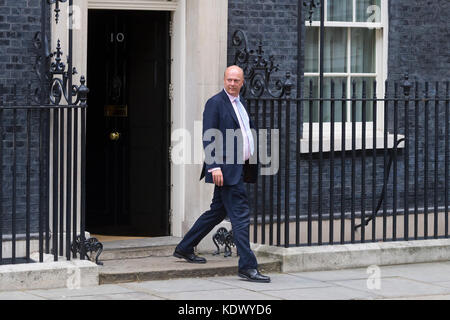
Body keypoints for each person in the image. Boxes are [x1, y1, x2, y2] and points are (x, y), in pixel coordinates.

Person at [173, 65, 271, 283]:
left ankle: (185, 247)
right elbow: (209, 136)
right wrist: (214, 166)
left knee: (217, 212)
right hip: (225, 170)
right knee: (241, 216)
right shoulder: (216, 103)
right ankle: (247, 266)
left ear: (242, 82)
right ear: (224, 79)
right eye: (229, 80)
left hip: (238, 168)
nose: (232, 83)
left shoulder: (240, 103)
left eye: (236, 80)